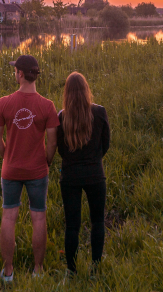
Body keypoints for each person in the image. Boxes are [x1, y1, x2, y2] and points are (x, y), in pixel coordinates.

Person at [0, 55, 59, 283]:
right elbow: (52, 143)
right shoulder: (47, 106)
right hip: (37, 171)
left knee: (9, 216)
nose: (14, 74)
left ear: (20, 74)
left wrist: (8, 156)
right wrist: (47, 161)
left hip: (10, 170)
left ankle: (8, 271)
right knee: (38, 218)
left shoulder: (4, 102)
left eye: (15, 71)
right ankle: (38, 270)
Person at [57, 72, 110, 276]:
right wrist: (94, 159)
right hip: (95, 174)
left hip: (70, 177)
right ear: (86, 89)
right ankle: (95, 269)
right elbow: (106, 144)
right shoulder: (99, 112)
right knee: (97, 221)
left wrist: (72, 161)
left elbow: (60, 148)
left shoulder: (62, 116)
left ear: (67, 93)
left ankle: (71, 270)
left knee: (72, 225)